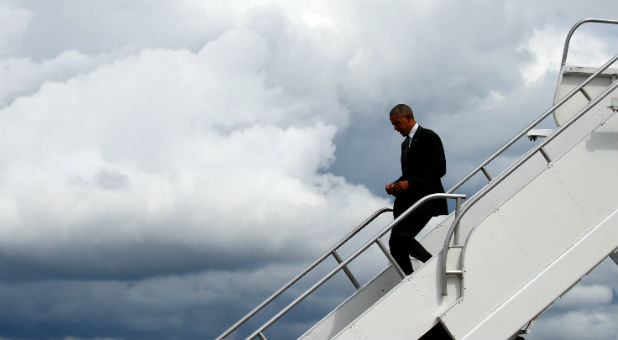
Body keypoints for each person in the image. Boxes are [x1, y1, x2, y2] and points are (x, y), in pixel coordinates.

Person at [385, 104, 447, 275]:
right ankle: (410, 278)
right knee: (395, 244)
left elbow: (439, 168)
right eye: (393, 125)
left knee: (401, 237)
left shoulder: (428, 136)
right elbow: (409, 174)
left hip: (426, 199)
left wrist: (410, 183)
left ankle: (434, 265)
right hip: (409, 200)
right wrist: (395, 185)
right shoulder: (405, 144)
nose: (396, 128)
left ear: (409, 118)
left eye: (397, 123)